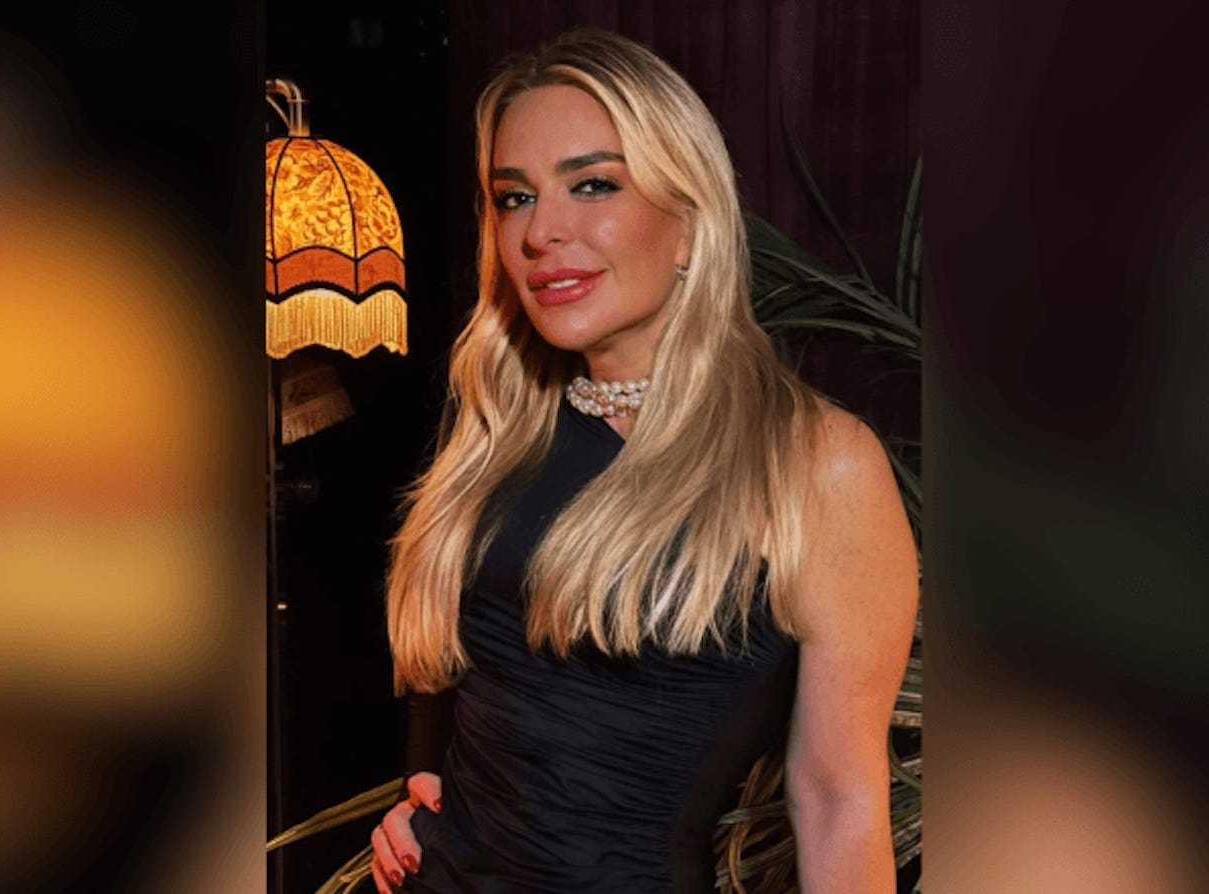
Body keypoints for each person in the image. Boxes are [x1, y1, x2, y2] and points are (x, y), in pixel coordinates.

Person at [369, 27, 917, 894]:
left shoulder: (818, 465)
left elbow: (836, 799)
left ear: (690, 220)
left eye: (592, 185)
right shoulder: (495, 427)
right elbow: (454, 675)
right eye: (514, 198)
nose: (542, 231)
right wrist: (420, 797)